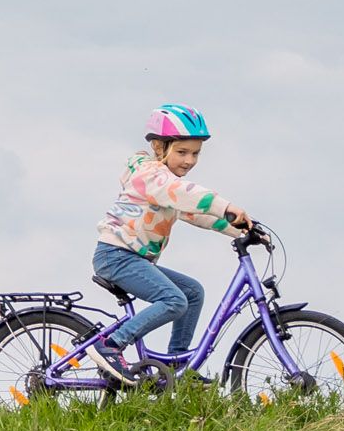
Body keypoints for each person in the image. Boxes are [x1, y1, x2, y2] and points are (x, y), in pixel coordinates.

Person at [96, 106, 254, 384]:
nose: (190, 160)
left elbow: (196, 213)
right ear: (158, 147)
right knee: (174, 300)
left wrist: (239, 229)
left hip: (132, 259)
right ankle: (111, 345)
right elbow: (185, 194)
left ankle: (179, 366)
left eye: (195, 153)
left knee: (192, 292)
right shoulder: (151, 176)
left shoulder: (168, 186)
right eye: (182, 152)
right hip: (116, 256)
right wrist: (226, 206)